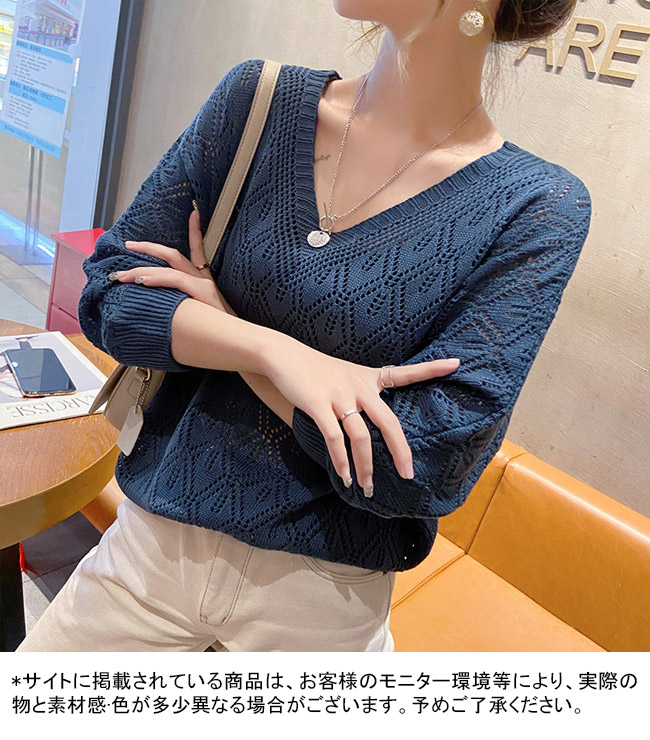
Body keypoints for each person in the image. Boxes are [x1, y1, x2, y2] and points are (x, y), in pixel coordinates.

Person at [16, 0, 592, 652]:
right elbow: (111, 300)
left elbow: (421, 465)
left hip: (324, 604)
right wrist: (272, 351)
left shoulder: (534, 206)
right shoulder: (258, 103)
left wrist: (221, 323)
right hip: (153, 553)